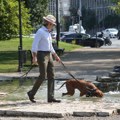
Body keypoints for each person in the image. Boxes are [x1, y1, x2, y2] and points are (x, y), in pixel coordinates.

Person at [27, 15, 61, 103]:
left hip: (49, 54)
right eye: (53, 24)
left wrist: (55, 56)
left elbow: (50, 46)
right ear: (49, 23)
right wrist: (34, 57)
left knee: (52, 75)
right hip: (41, 55)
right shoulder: (40, 32)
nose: (53, 26)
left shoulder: (48, 32)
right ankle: (31, 93)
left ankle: (51, 97)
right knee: (42, 76)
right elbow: (34, 45)